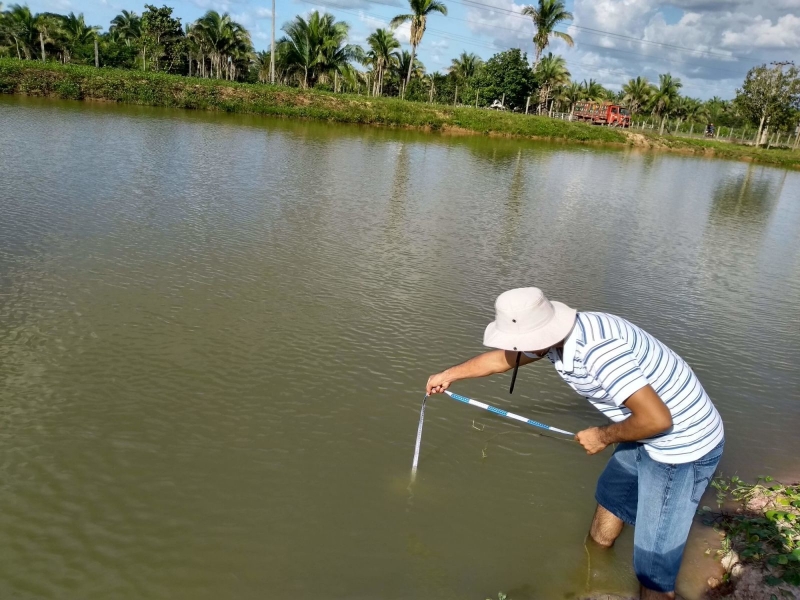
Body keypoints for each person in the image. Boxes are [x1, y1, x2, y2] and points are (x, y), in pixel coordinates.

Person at [426, 287, 724, 600]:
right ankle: (593, 575)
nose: (515, 349)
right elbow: (503, 360)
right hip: (644, 432)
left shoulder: (599, 353)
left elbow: (657, 420)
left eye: (519, 342)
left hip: (683, 447)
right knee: (611, 497)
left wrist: (603, 435)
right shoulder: (555, 338)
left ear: (540, 335)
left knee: (653, 565)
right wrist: (448, 375)